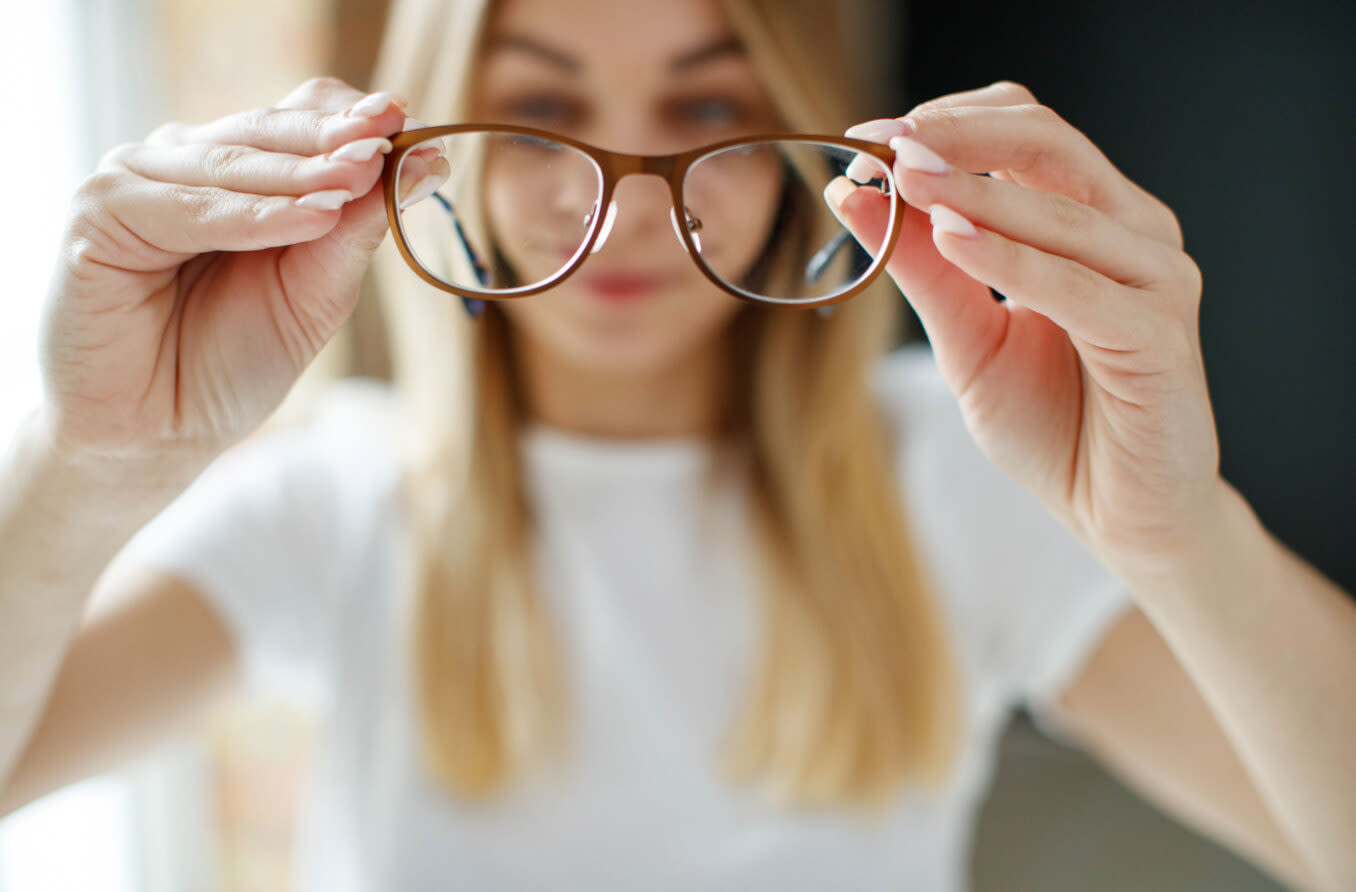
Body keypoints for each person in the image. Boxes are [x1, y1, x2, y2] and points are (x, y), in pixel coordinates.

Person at [1, 0, 1353, 889]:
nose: (624, 199)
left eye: (706, 112)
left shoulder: (953, 476)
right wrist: (87, 466)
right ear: (433, 146)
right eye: (541, 114)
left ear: (798, 150)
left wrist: (1183, 531)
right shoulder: (338, 503)